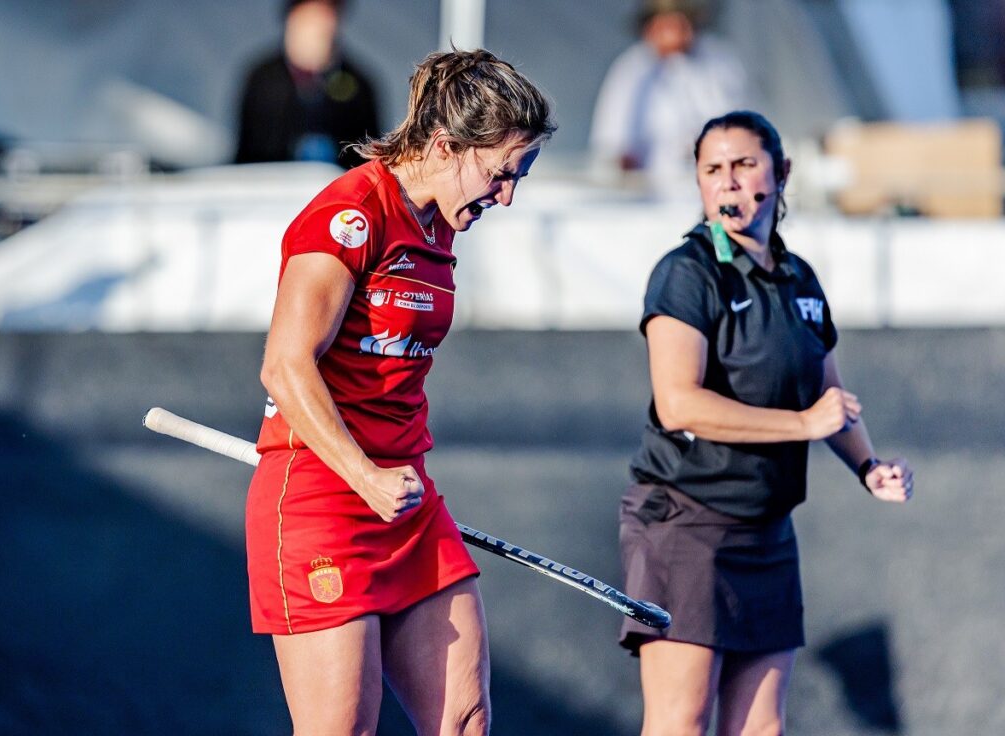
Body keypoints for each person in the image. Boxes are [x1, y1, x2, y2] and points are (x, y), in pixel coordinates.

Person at [245, 48, 554, 736]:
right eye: (501, 174)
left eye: (520, 177)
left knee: (465, 721)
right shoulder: (348, 214)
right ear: (445, 146)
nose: (506, 197)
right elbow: (285, 365)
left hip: (406, 501)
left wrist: (391, 481)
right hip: (323, 496)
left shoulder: (440, 221)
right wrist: (363, 475)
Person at [618, 110, 913, 736]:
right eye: (712, 170)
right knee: (681, 721)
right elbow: (679, 404)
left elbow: (827, 397)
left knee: (761, 728)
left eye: (744, 164)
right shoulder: (686, 273)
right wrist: (802, 423)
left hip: (766, 530)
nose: (728, 182)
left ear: (780, 174)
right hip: (686, 521)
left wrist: (868, 466)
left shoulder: (799, 277)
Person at [589, 0, 749, 201]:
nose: (673, 32)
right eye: (665, 24)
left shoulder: (720, 64)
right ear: (649, 28)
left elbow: (740, 130)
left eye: (680, 23)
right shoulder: (631, 71)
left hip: (712, 193)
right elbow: (613, 145)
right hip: (650, 200)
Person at [234, 0, 380, 168]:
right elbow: (249, 153)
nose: (319, 27)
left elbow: (368, 160)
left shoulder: (359, 86)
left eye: (326, 16)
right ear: (291, 20)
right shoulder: (262, 80)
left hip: (339, 187)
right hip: (272, 185)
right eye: (309, 18)